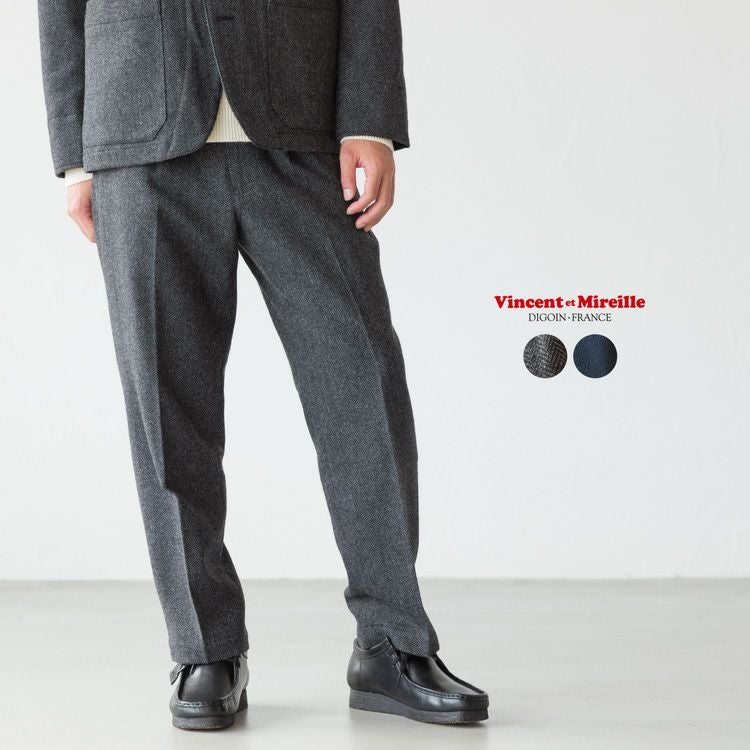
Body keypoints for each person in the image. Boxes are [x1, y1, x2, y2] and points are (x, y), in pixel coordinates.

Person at [37, 0, 489, 730]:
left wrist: (369, 118)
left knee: (362, 384)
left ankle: (392, 643)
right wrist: (75, 153)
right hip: (138, 131)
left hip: (300, 128)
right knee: (166, 407)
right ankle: (205, 648)